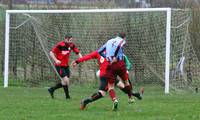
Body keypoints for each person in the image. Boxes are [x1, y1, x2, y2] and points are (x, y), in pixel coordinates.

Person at [98, 32, 132, 111]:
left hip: (110, 65)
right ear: (124, 37)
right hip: (119, 63)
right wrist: (115, 57)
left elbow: (99, 51)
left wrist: (107, 57)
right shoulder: (122, 41)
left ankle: (115, 100)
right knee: (126, 81)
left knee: (110, 86)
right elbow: (119, 46)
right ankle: (130, 98)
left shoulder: (109, 41)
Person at [48, 34, 82, 99]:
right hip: (59, 65)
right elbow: (51, 53)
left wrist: (80, 60)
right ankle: (67, 96)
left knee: (66, 82)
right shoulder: (60, 45)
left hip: (66, 65)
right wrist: (56, 60)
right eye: (70, 40)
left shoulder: (72, 45)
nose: (71, 41)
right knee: (65, 80)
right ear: (66, 39)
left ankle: (52, 89)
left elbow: (78, 53)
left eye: (71, 40)